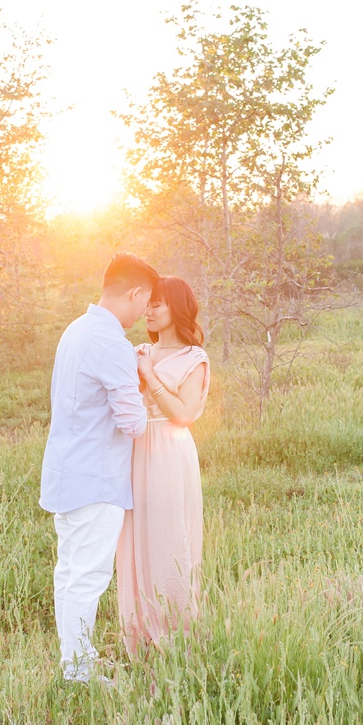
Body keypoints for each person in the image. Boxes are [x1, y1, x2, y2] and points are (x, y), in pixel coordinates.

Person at [40, 252, 159, 683]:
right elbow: (131, 422)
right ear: (135, 293)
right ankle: (79, 672)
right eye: (145, 304)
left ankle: (76, 659)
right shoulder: (111, 342)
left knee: (70, 572)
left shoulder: (76, 329)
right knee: (87, 578)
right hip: (97, 478)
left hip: (67, 472)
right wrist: (144, 382)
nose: (144, 313)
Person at [116, 276, 210, 653]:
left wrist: (150, 377)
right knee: (135, 538)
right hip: (135, 450)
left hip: (170, 453)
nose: (149, 310)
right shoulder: (138, 351)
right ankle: (139, 637)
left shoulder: (194, 358)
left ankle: (176, 637)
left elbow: (183, 415)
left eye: (158, 304)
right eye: (148, 303)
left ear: (177, 308)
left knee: (170, 539)